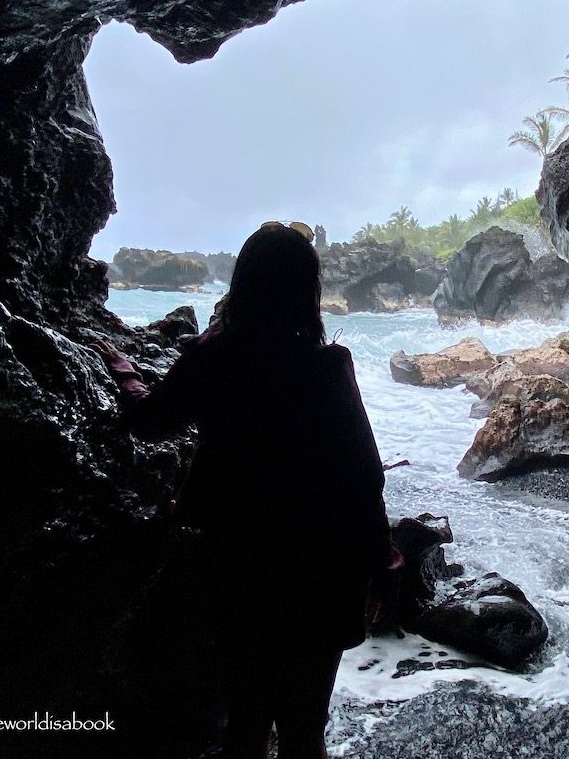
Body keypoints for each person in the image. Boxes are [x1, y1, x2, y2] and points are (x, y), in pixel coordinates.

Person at [89, 222, 400, 759]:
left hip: (238, 565)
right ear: (309, 291)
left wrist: (125, 371)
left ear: (242, 285)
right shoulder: (327, 367)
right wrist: (382, 562)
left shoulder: (215, 358)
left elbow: (147, 422)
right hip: (319, 569)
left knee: (245, 720)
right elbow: (362, 474)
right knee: (306, 730)